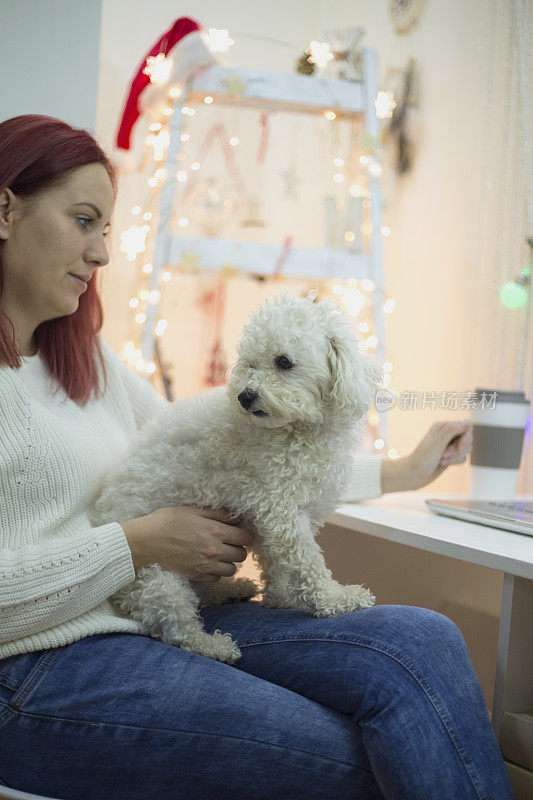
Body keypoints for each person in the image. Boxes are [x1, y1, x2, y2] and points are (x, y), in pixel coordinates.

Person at [0, 115, 513, 800]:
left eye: (107, 232)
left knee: (423, 641)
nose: (101, 255)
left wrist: (400, 471)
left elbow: (244, 449)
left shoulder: (83, 361)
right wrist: (135, 544)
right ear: (5, 209)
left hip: (138, 614)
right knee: (371, 757)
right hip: (36, 666)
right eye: (84, 221)